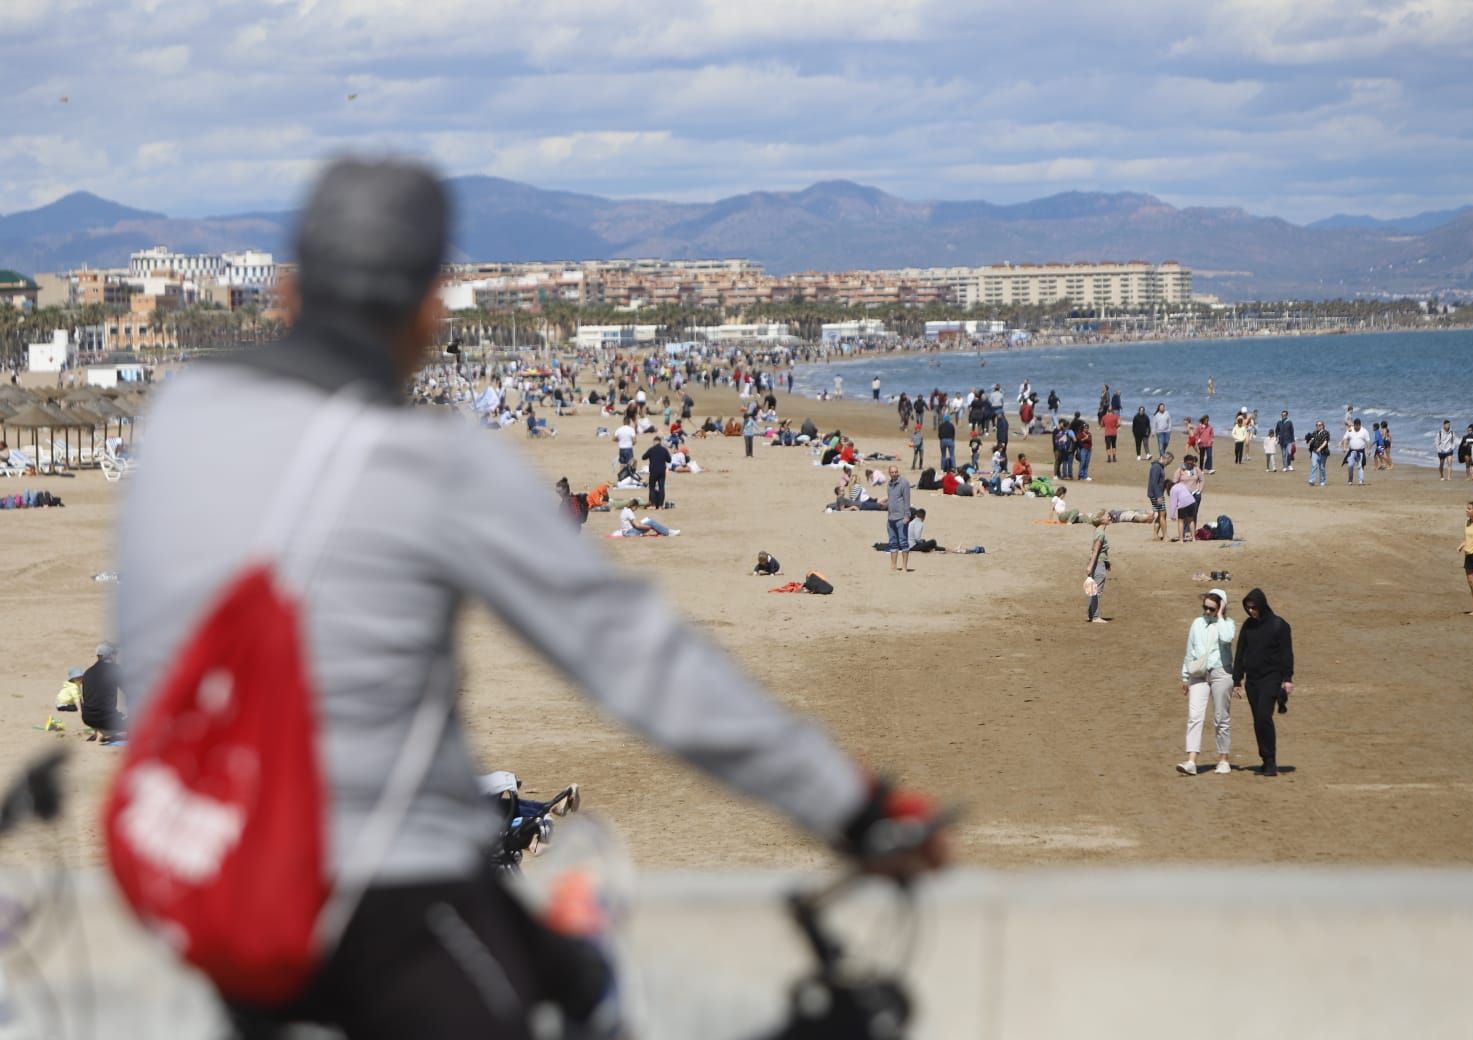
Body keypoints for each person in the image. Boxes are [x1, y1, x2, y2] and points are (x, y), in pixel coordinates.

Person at [114, 158, 947, 1037]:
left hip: (212, 880)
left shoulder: (180, 419)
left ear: (287, 292)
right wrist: (852, 807)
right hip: (380, 897)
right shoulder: (427, 462)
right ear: (432, 307)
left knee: (554, 960)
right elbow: (634, 656)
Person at [1231, 589, 1294, 777]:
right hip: (1252, 680)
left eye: (1254, 607)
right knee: (1258, 720)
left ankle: (1270, 760)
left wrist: (1287, 679)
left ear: (1262, 605)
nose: (1251, 611)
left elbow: (1286, 653)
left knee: (1263, 716)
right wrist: (1237, 680)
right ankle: (1265, 759)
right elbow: (1241, 653)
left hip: (1271, 678)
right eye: (1248, 608)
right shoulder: (1248, 626)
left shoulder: (1279, 625)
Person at [1177, 589, 1237, 776]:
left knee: (1221, 718)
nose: (1207, 612)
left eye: (1212, 609)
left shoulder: (1227, 624)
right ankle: (1191, 761)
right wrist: (1185, 676)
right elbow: (1190, 649)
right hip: (1199, 674)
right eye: (1205, 608)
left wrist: (1220, 617)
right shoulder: (1197, 623)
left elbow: (1227, 638)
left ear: (1220, 608)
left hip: (1222, 673)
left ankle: (1223, 759)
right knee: (1195, 716)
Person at [81, 641, 126, 741]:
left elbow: (86, 699)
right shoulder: (114, 669)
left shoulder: (88, 672)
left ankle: (101, 731)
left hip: (88, 719)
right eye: (115, 654)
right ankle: (109, 733)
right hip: (106, 719)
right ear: (110, 656)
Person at [1084, 512, 1112, 623]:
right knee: (1097, 591)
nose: (1109, 517)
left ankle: (1091, 615)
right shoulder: (1101, 534)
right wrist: (1090, 565)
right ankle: (1095, 617)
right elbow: (1096, 551)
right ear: (1101, 519)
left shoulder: (1098, 531)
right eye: (1107, 516)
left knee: (1092, 590)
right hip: (1098, 564)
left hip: (1098, 562)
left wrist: (1107, 562)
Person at [885, 465, 913, 573]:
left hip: (901, 518)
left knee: (903, 542)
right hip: (891, 518)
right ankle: (893, 566)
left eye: (896, 472)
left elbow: (907, 500)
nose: (894, 474)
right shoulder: (889, 484)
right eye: (892, 472)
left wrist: (907, 516)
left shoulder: (904, 483)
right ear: (889, 473)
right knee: (892, 542)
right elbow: (890, 500)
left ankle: (904, 567)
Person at [642, 436, 672, 509]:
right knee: (661, 488)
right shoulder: (664, 450)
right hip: (662, 471)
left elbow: (643, 457)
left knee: (652, 488)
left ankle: (653, 505)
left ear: (654, 441)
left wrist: (651, 456)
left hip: (653, 471)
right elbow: (669, 460)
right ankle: (661, 505)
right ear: (660, 442)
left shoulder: (651, 449)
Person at [1146, 451, 1169, 541]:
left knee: (1160, 514)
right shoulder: (1156, 467)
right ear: (1164, 458)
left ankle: (1155, 535)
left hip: (1156, 494)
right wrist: (1159, 496)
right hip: (1156, 495)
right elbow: (1154, 483)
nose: (1168, 464)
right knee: (1163, 514)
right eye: (1168, 462)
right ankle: (1165, 536)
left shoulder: (1159, 467)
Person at [1342, 420, 1370, 485]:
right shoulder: (1350, 430)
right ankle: (1350, 480)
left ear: (1360, 425)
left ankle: (1361, 481)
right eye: (1355, 426)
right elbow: (1345, 438)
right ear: (1354, 425)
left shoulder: (1364, 431)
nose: (1356, 427)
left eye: (1358, 426)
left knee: (1360, 466)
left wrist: (1368, 450)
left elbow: (1368, 441)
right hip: (1351, 451)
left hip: (1361, 452)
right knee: (1350, 465)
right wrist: (1344, 447)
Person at [1306, 420, 1330, 487]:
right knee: (1314, 465)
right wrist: (1309, 441)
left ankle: (1322, 481)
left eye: (1319, 425)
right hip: (1314, 451)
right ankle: (1312, 480)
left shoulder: (1326, 433)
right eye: (1317, 425)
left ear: (1322, 426)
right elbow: (1311, 440)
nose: (1318, 426)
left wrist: (1320, 448)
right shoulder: (1314, 432)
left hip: (1323, 452)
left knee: (1322, 467)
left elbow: (1325, 442)